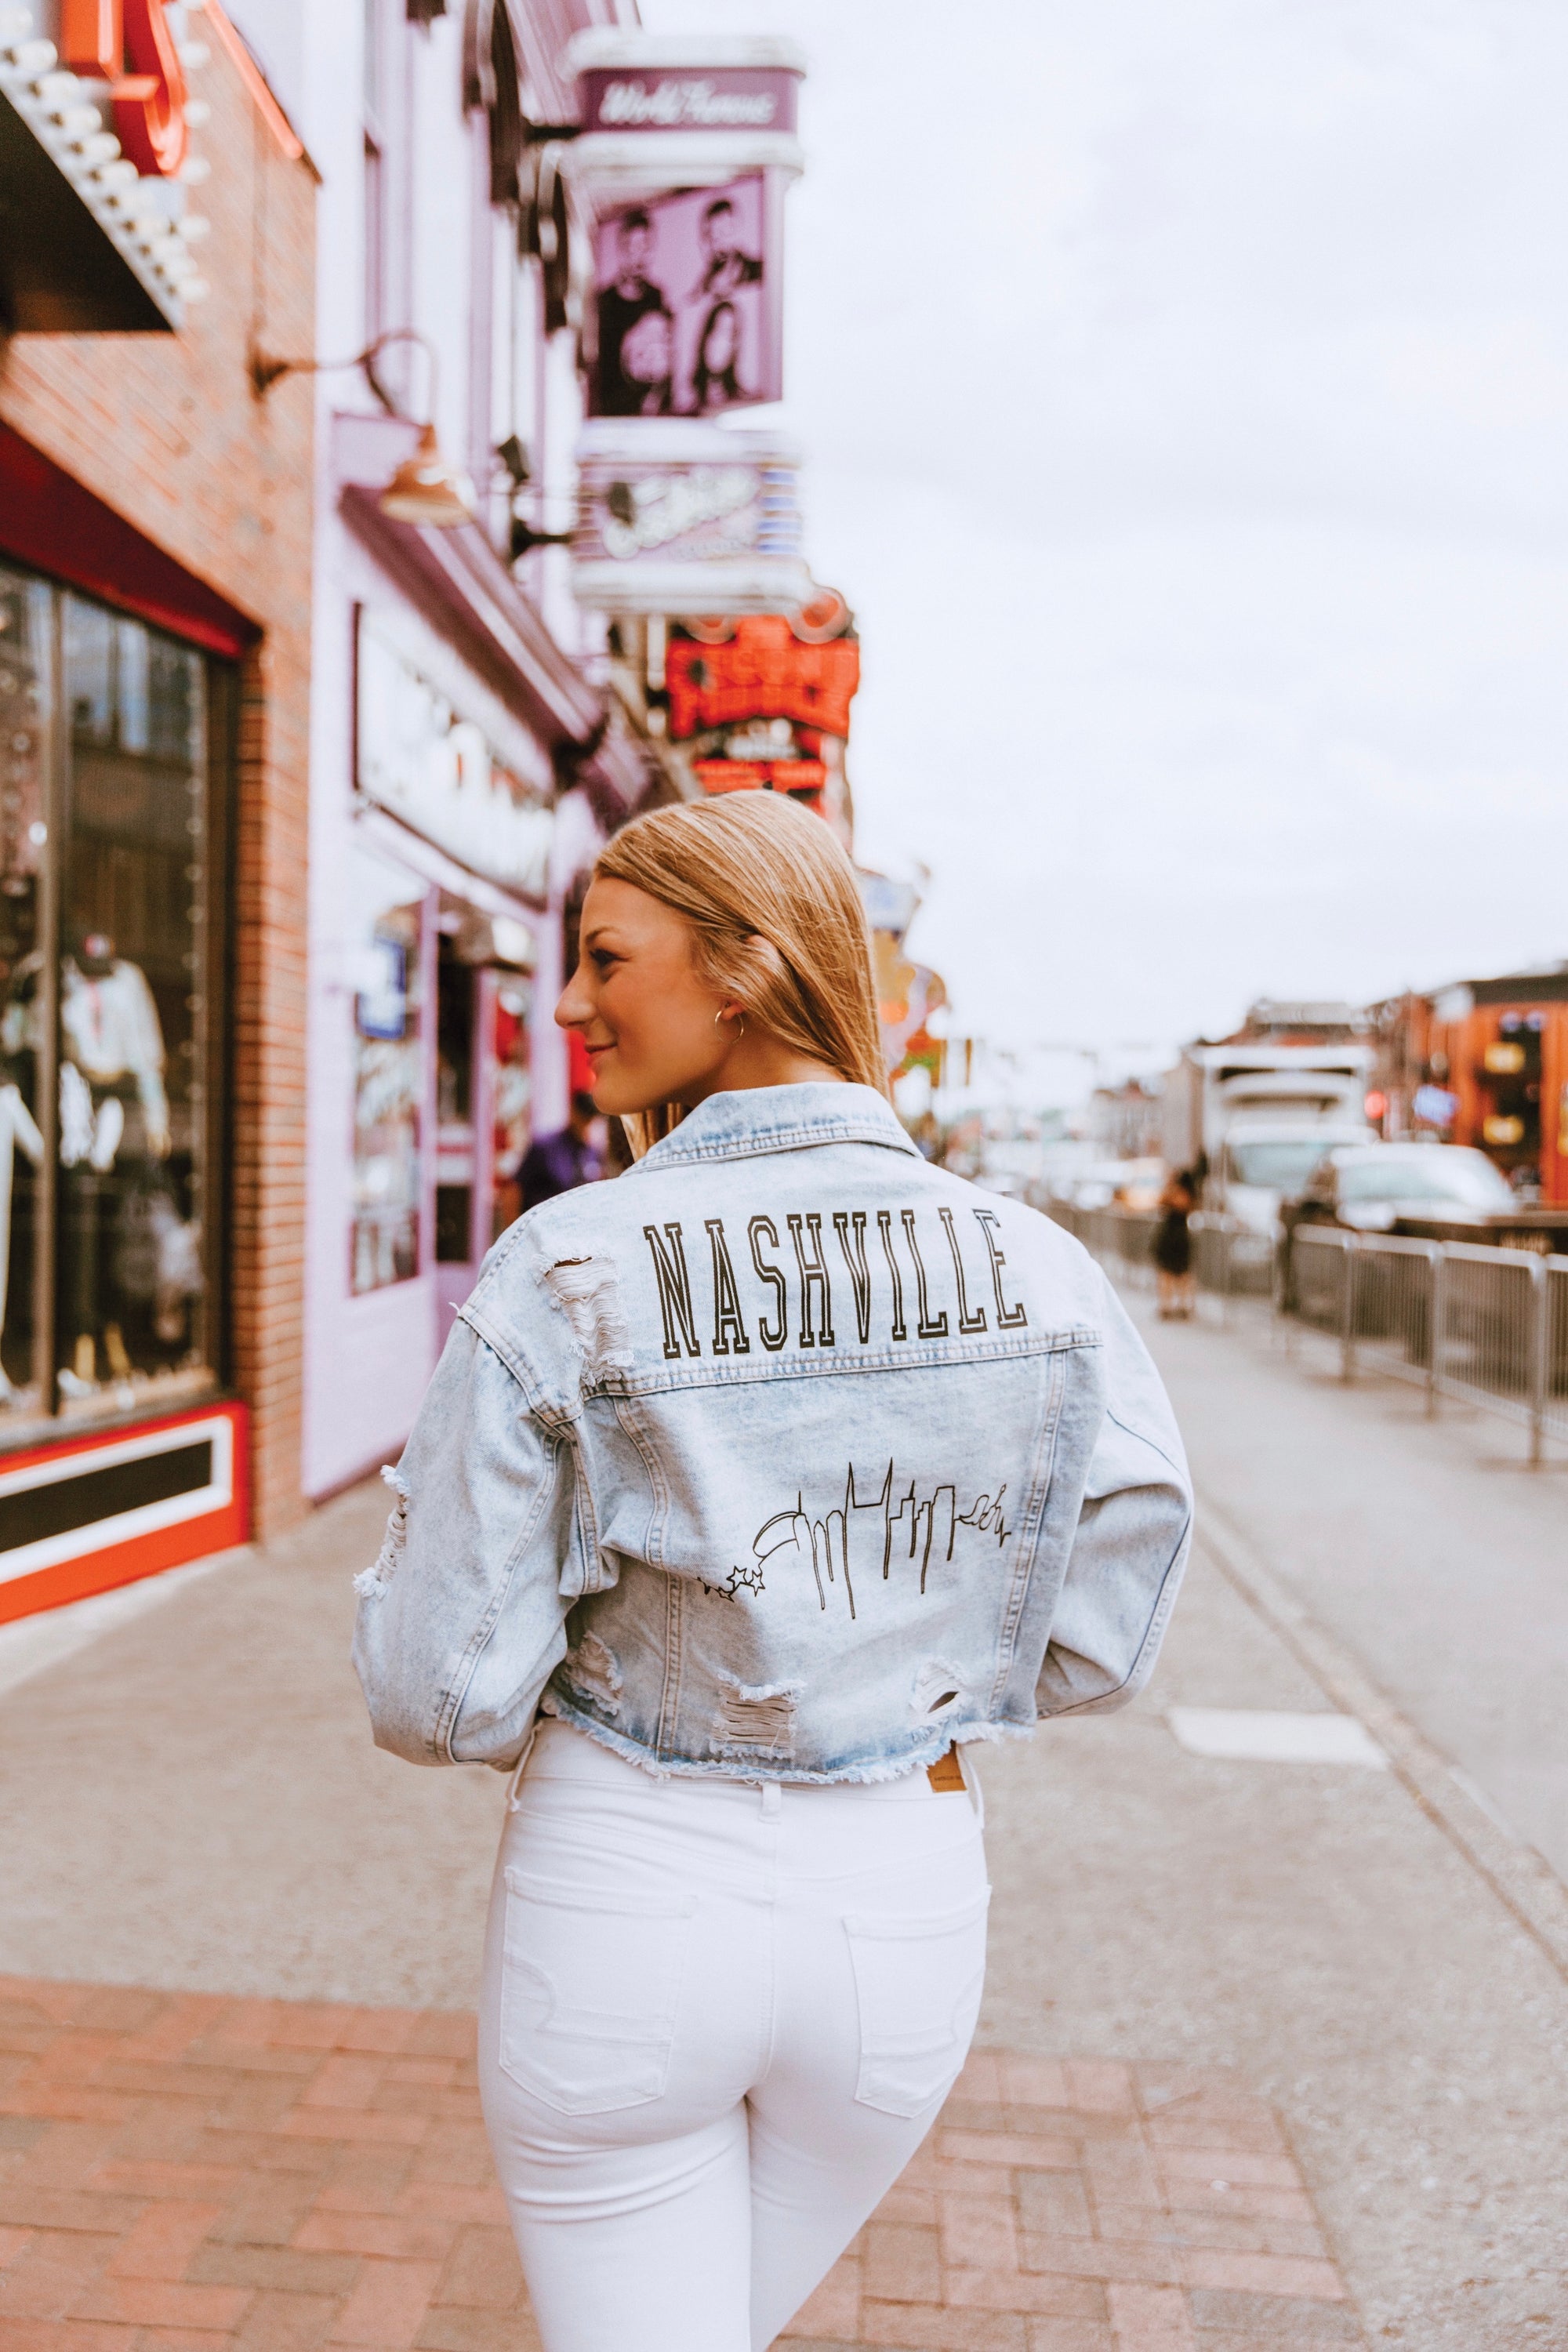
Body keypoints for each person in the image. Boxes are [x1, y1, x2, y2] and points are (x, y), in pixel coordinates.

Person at [353, 794, 1192, 2352]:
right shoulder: (1040, 1266)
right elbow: (1108, 1627)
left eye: (605, 956)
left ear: (739, 969)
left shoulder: (569, 1261)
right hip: (902, 1908)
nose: (568, 1002)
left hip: (624, 1896)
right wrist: (919, 1662)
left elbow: (438, 1695)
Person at [595, 209, 670, 415]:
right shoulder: (604, 301)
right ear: (620, 250)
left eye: (643, 247)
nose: (637, 256)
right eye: (630, 247)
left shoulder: (657, 297)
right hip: (611, 407)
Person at [517, 1090, 603, 1211]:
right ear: (573, 1113)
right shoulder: (545, 1147)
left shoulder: (592, 1153)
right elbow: (515, 1189)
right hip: (542, 1219)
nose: (587, 1124)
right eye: (584, 1118)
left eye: (591, 1120)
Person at [691, 193, 764, 299]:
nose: (715, 245)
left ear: (737, 230)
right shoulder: (704, 284)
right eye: (708, 235)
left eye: (722, 233)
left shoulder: (759, 271)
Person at [1155, 1168, 1197, 1319]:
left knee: (1182, 1274)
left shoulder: (1186, 1193)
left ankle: (1183, 1305)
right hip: (1169, 1235)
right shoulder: (1174, 1190)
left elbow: (1176, 1203)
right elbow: (1160, 1201)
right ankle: (1167, 1305)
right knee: (1167, 1273)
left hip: (1178, 1237)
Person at [690, 297, 744, 412]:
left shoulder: (743, 405)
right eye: (717, 331)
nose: (720, 344)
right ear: (705, 337)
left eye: (729, 335)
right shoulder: (687, 403)